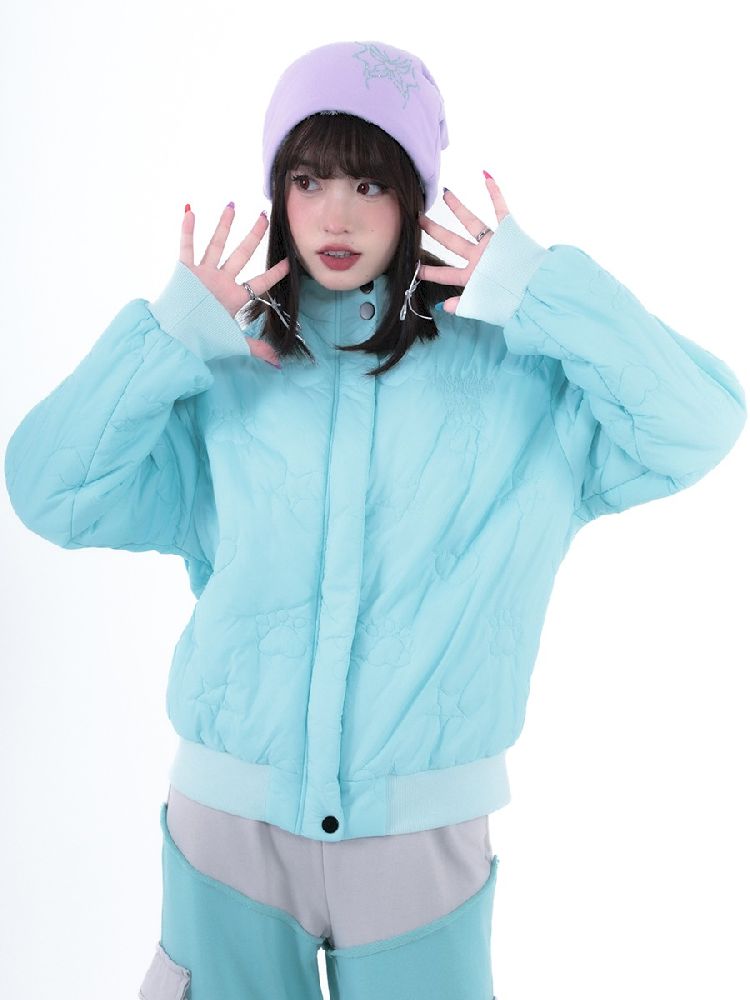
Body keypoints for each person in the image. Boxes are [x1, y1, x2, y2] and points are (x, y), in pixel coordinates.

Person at [4, 38, 747, 1000]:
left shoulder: (521, 374)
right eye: (309, 180)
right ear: (279, 195)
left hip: (418, 844)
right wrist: (167, 336)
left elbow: (698, 424)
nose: (337, 215)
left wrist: (544, 291)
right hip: (228, 830)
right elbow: (48, 489)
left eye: (370, 183)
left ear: (414, 197)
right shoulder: (223, 371)